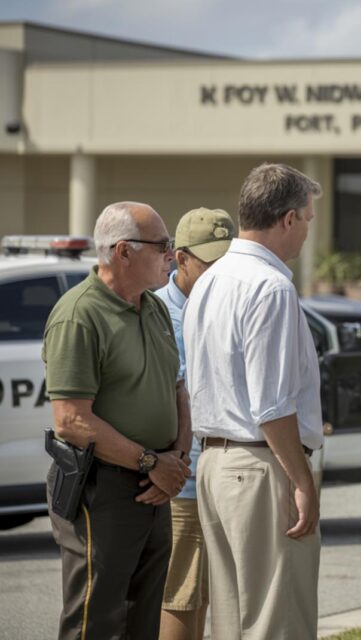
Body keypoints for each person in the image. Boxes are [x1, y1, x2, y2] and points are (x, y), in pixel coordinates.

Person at [183, 163, 324, 639]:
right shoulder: (271, 286)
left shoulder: (208, 280)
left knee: (232, 624)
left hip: (215, 464)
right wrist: (302, 480)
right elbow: (271, 407)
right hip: (262, 466)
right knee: (276, 623)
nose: (307, 230)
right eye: (307, 218)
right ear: (287, 219)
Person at [43, 201, 191, 640]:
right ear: (124, 251)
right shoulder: (79, 315)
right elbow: (71, 420)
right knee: (96, 619)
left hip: (155, 483)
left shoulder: (154, 307)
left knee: (143, 618)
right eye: (163, 245)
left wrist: (175, 460)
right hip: (102, 487)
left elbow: (177, 388)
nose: (171, 253)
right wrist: (151, 462)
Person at [155, 207, 236, 640]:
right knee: (183, 596)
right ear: (180, 258)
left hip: (225, 475)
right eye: (210, 262)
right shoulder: (157, 313)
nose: (221, 272)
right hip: (184, 481)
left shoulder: (226, 302)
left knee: (214, 597)